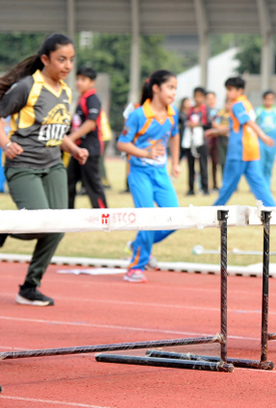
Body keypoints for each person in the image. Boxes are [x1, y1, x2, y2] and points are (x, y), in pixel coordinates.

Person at [0, 33, 88, 306]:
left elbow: (54, 130)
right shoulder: (27, 87)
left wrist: (73, 149)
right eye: (61, 59)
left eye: (71, 60)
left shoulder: (65, 91)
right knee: (38, 226)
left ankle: (30, 286)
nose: (67, 66)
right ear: (45, 59)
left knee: (59, 225)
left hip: (53, 164)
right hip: (23, 165)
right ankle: (2, 230)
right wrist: (5, 144)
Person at [117, 71, 181, 283]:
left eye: (175, 88)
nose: (173, 92)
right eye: (170, 87)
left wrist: (176, 163)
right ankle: (135, 267)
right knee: (147, 220)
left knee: (175, 219)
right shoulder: (138, 115)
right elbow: (122, 143)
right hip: (139, 173)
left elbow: (174, 135)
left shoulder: (173, 113)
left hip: (160, 173)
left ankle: (139, 244)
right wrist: (146, 153)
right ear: (156, 88)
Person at [208, 76, 276, 208]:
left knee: (228, 184)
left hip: (239, 150)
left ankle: (214, 210)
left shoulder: (236, 105)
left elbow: (247, 122)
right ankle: (272, 209)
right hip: (251, 149)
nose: (227, 93)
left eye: (230, 90)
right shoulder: (247, 103)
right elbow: (236, 127)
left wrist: (262, 135)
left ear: (239, 91)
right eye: (227, 90)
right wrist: (216, 132)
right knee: (259, 183)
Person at [66, 66, 108, 210]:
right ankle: (66, 214)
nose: (79, 82)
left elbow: (91, 123)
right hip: (78, 149)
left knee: (93, 185)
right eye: (78, 79)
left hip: (89, 149)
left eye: (83, 79)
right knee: (68, 182)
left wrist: (69, 139)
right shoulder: (81, 99)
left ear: (92, 82)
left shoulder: (92, 99)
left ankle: (104, 216)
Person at [182, 87, 211, 196]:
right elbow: (185, 121)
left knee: (203, 165)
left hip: (202, 141)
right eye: (196, 96)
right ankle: (191, 188)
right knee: (190, 165)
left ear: (203, 98)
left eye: (200, 96)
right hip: (190, 140)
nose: (197, 98)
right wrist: (189, 124)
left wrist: (198, 125)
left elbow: (208, 124)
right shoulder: (190, 110)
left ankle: (205, 188)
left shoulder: (205, 110)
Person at [255, 90, 276, 193]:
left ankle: (267, 185)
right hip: (260, 141)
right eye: (267, 99)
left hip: (273, 142)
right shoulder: (258, 111)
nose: (269, 101)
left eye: (271, 99)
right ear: (263, 100)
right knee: (259, 164)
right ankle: (259, 185)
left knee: (269, 165)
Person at [205, 90, 221, 188]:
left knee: (216, 163)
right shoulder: (203, 112)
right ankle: (204, 184)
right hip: (206, 140)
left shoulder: (219, 112)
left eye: (212, 98)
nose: (210, 101)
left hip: (216, 140)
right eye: (208, 99)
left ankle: (215, 184)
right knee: (204, 163)